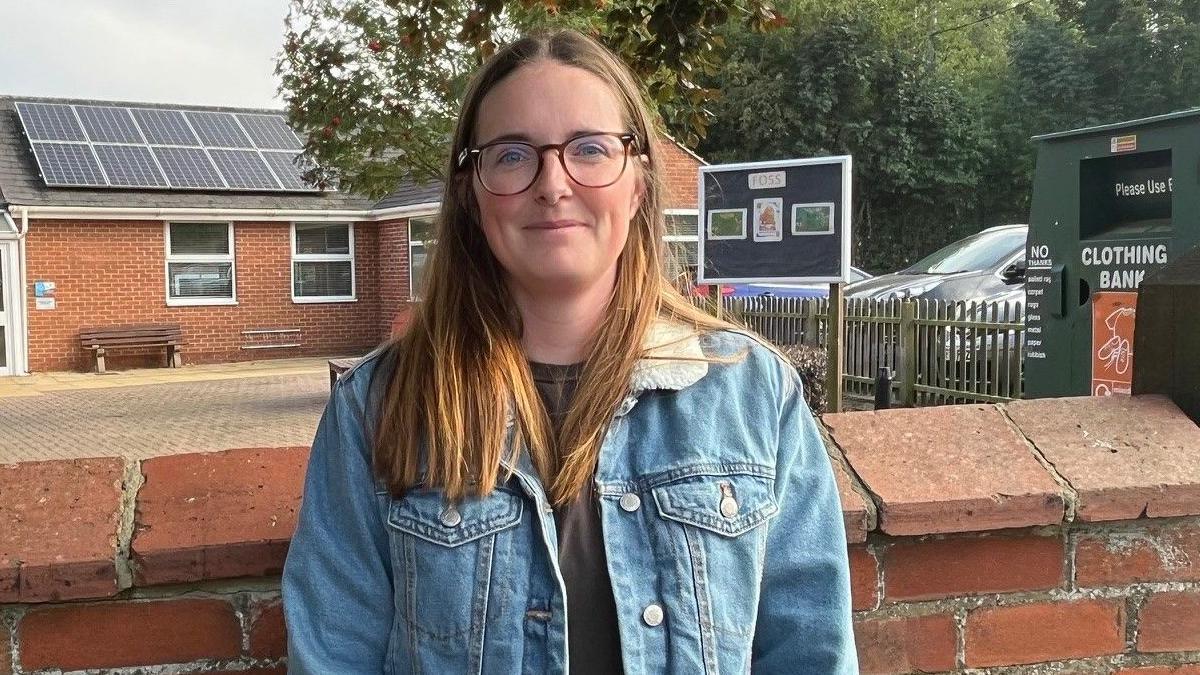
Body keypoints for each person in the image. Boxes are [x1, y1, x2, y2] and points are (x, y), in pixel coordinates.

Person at [283, 29, 857, 674]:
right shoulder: (378, 406)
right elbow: (334, 655)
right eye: (511, 155)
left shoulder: (753, 393)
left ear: (638, 183)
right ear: (471, 194)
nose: (553, 184)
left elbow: (811, 653)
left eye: (589, 148)